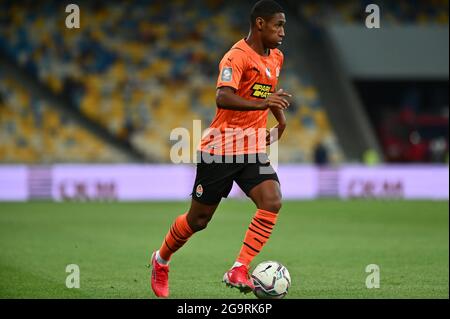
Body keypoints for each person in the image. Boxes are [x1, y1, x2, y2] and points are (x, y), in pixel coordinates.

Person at [150, 0, 291, 298]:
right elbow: (223, 98)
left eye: (284, 26)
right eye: (278, 25)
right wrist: (264, 104)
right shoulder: (235, 57)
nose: (282, 32)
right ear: (260, 24)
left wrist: (279, 121)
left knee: (272, 200)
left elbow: (268, 94)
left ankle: (239, 267)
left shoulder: (276, 57)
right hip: (220, 148)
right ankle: (161, 260)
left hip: (251, 148)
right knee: (198, 221)